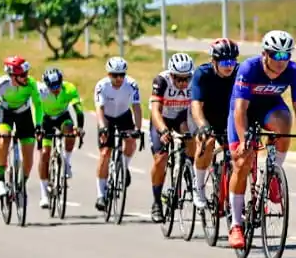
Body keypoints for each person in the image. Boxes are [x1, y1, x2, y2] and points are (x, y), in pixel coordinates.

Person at [225, 30, 296, 248]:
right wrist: (243, 139)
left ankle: (272, 175)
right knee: (241, 162)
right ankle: (236, 225)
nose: (281, 61)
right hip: (244, 110)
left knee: (284, 122)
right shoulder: (249, 68)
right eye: (276, 55)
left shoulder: (294, 70)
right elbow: (240, 110)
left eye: (286, 55)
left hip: (270, 108)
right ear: (264, 54)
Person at [188, 38, 240, 210]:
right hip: (203, 116)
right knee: (207, 141)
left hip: (226, 117)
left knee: (240, 153)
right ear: (213, 61)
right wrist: (203, 126)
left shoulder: (239, 73)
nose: (229, 66)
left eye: (232, 61)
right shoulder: (203, 74)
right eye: (224, 62)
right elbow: (196, 105)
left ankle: (233, 200)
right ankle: (198, 187)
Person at [148, 52, 196, 223]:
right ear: (171, 75)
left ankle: (188, 173)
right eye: (179, 79)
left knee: (191, 140)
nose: (183, 83)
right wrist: (162, 131)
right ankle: (156, 202)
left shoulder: (195, 80)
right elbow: (155, 111)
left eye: (186, 78)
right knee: (160, 158)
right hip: (163, 117)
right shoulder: (161, 81)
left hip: (182, 117)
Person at [0, 56, 44, 200]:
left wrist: (38, 126)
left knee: (29, 156)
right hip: (5, 113)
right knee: (4, 139)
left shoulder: (31, 84)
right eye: (23, 75)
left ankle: (21, 185)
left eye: (27, 73)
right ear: (13, 76)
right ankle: (1, 181)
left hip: (24, 114)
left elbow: (38, 106)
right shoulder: (1, 85)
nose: (26, 77)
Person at [93, 56, 143, 212]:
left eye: (122, 75)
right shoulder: (102, 86)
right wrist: (102, 128)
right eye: (115, 75)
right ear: (108, 74)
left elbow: (136, 107)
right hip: (106, 117)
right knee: (105, 153)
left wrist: (138, 129)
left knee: (131, 141)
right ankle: (101, 195)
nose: (118, 78)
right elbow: (99, 109)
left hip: (123, 116)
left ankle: (124, 167)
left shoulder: (132, 85)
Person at [36, 67, 86, 208]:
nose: (55, 90)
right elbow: (37, 110)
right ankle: (44, 194)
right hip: (46, 119)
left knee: (70, 131)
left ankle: (67, 161)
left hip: (62, 117)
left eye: (57, 86)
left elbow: (78, 110)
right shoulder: (41, 91)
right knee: (45, 154)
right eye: (52, 87)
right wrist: (38, 128)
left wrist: (80, 127)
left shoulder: (69, 89)